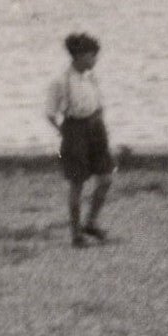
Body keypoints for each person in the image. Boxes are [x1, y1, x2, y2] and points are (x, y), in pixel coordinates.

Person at [45, 32, 115, 247]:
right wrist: (64, 132)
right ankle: (76, 234)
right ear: (79, 56)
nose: (95, 60)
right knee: (77, 183)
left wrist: (100, 122)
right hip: (75, 129)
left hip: (96, 128)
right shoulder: (60, 81)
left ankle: (91, 222)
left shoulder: (91, 77)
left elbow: (99, 103)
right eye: (92, 56)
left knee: (106, 178)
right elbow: (50, 113)